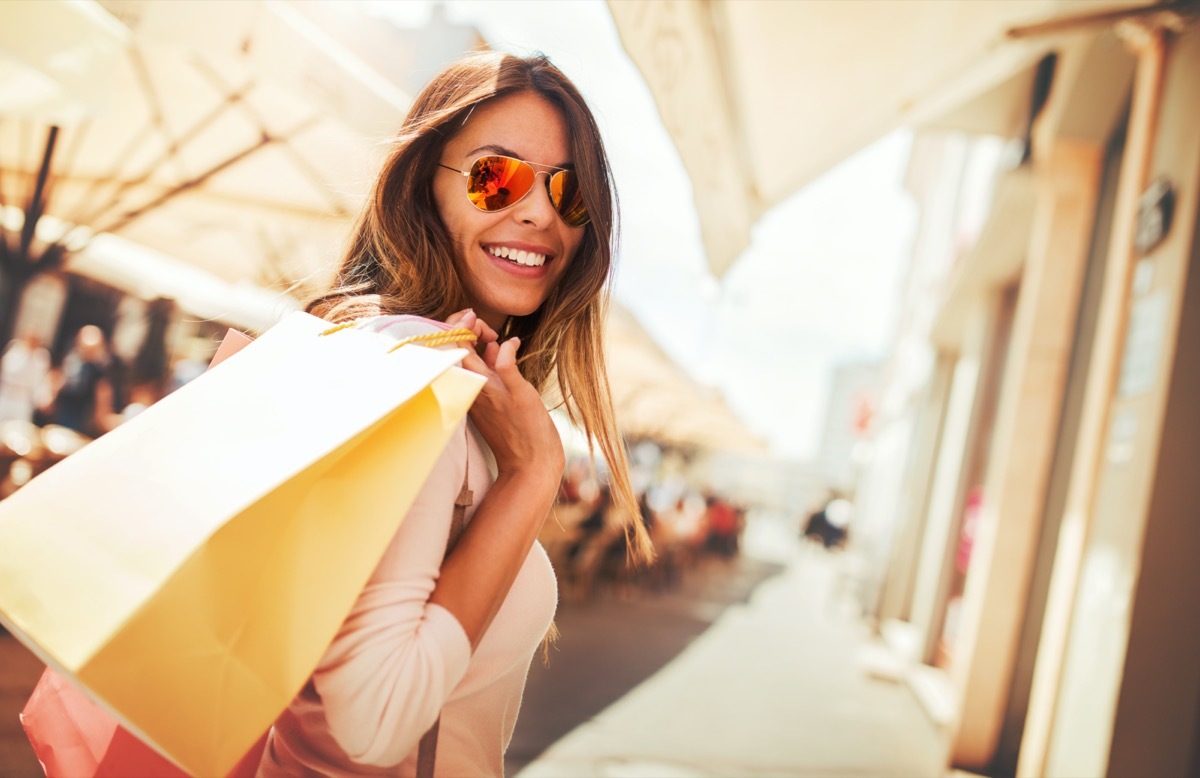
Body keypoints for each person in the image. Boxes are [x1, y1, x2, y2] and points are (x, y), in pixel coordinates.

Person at [258, 51, 654, 777]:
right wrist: (533, 475)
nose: (537, 212)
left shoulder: (433, 378)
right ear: (424, 188)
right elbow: (371, 724)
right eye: (495, 176)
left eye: (568, 194)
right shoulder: (411, 374)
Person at [44, 325, 118, 438]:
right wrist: (51, 396)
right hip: (61, 415)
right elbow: (59, 379)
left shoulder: (99, 371)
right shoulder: (71, 360)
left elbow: (102, 398)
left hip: (80, 421)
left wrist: (102, 419)